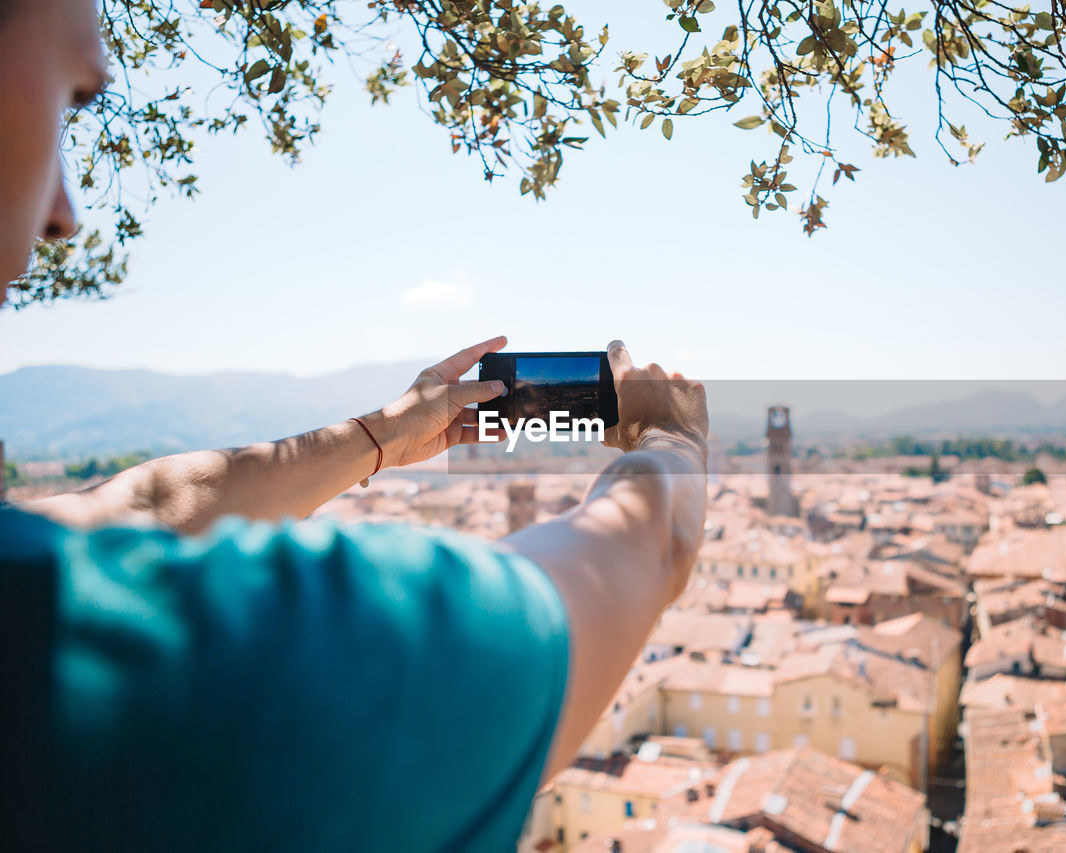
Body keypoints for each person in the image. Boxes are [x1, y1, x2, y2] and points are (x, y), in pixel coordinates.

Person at [0, 1, 709, 850]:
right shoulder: (100, 664)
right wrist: (674, 451)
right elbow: (580, 602)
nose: (64, 213)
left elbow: (144, 509)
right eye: (72, 96)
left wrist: (385, 437)